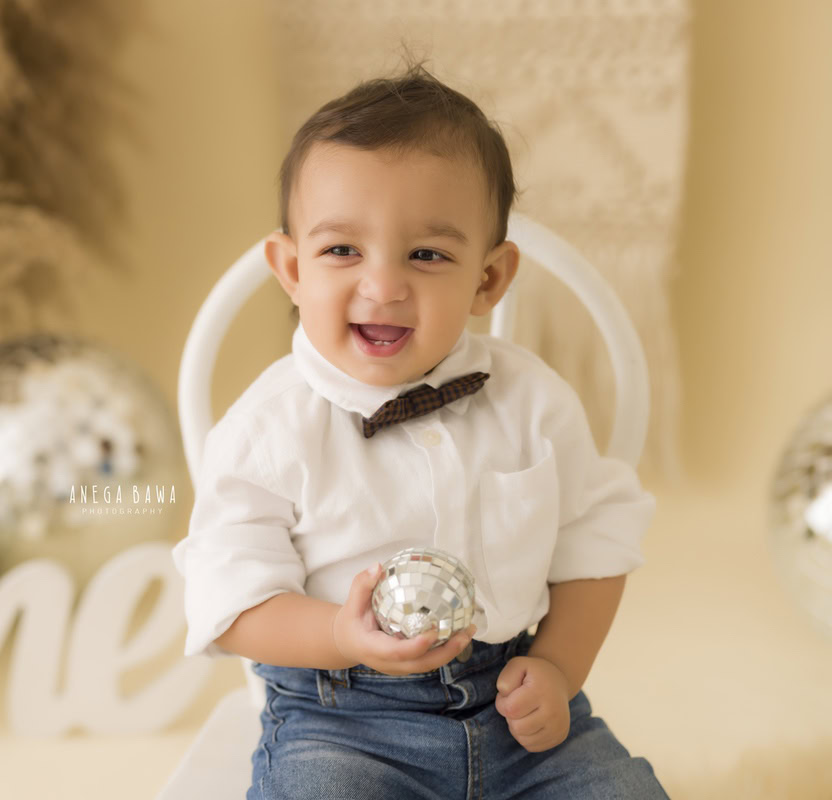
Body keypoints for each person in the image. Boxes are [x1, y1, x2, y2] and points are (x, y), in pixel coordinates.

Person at [171, 60, 670, 800]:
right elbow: (231, 602)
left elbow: (595, 541)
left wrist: (561, 668)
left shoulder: (533, 400)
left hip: (515, 717)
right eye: (342, 249)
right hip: (340, 721)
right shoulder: (268, 431)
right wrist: (340, 637)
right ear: (290, 268)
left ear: (489, 280)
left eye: (428, 254)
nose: (383, 285)